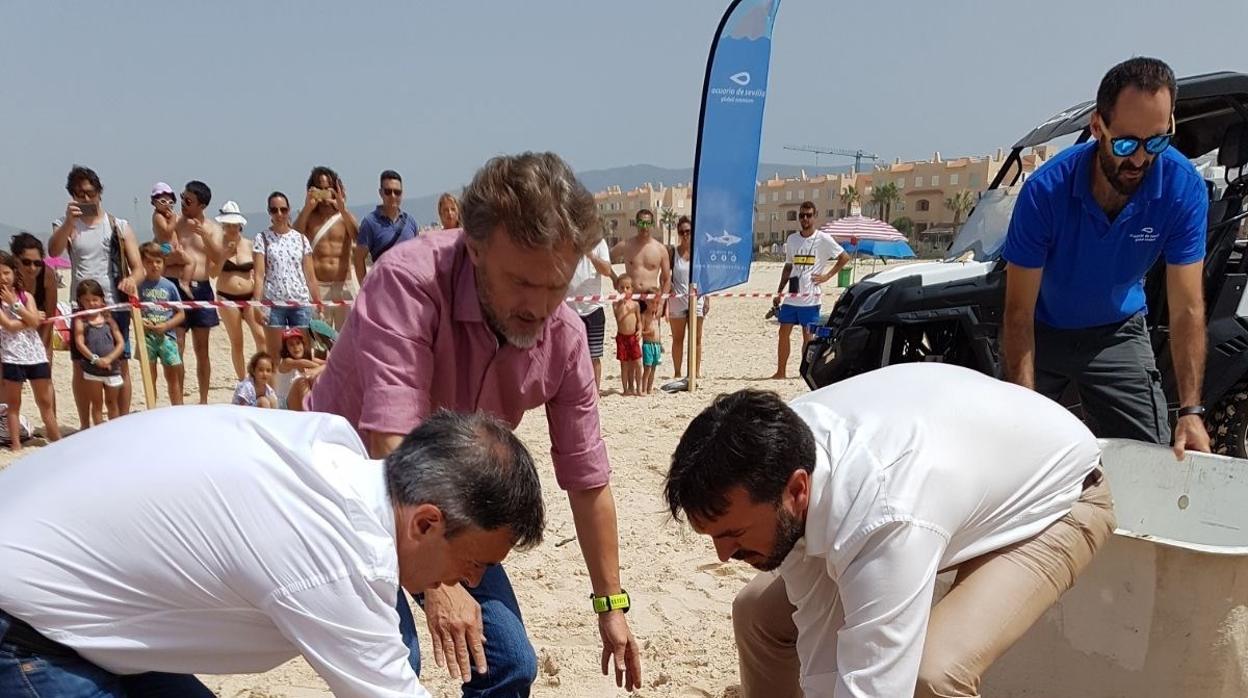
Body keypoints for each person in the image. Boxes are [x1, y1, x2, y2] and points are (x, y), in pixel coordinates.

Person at [307, 152, 642, 694]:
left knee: (509, 663)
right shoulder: (408, 282)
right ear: (474, 246)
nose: (539, 308)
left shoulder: (565, 336)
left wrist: (611, 605)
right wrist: (437, 581)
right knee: (394, 661)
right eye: (521, 283)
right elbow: (390, 441)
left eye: (556, 286)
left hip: (448, 503)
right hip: (348, 490)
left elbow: (588, 480)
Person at [0, 406, 545, 697]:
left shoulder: (334, 449)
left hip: (70, 593)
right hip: (24, 621)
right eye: (474, 563)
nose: (471, 583)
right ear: (427, 522)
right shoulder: (337, 554)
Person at [664, 363, 1116, 698]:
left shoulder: (885, 515)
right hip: (953, 485)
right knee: (757, 613)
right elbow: (822, 640)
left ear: (796, 491)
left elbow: (877, 688)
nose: (723, 556)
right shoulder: (782, 451)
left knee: (933, 676)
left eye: (732, 534)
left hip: (1058, 499)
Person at [1001, 57, 1210, 458]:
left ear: (1170, 128)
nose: (1140, 160)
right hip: (1041, 331)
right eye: (1127, 143)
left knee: (1153, 455)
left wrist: (1191, 411)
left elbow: (1187, 308)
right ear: (1098, 127)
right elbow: (1017, 313)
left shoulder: (1184, 190)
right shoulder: (1045, 192)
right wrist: (1021, 415)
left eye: (1156, 142)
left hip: (1117, 332)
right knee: (1014, 450)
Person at [49, 165, 143, 424]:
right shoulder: (66, 225)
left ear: (100, 192)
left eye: (90, 193)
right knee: (81, 366)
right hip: (81, 305)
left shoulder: (118, 225)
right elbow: (54, 251)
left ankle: (122, 421)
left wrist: (131, 281)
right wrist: (69, 222)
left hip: (114, 303)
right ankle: (84, 424)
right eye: (79, 194)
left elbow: (139, 268)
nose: (86, 198)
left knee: (121, 363)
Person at [769, 201, 849, 379]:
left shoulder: (823, 238)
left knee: (808, 336)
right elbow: (788, 267)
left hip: (811, 298)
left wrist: (827, 276)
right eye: (802, 215)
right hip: (792, 295)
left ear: (814, 216)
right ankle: (780, 371)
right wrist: (779, 291)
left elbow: (844, 257)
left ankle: (805, 372)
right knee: (783, 332)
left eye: (808, 215)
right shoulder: (792, 239)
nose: (805, 218)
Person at [164, 181, 225, 405]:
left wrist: (205, 236)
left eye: (188, 201)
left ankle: (203, 399)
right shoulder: (176, 225)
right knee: (177, 344)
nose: (183, 204)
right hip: (176, 285)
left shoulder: (212, 228)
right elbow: (160, 249)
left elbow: (218, 258)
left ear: (202, 204)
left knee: (202, 348)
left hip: (201, 287)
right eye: (182, 198)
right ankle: (178, 400)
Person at [0, 252, 59, 451]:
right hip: (12, 355)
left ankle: (55, 438)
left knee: (45, 402)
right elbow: (9, 325)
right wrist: (29, 319)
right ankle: (16, 445)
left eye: (6, 273)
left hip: (35, 354)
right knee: (13, 405)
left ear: (14, 273)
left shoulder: (26, 296)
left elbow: (35, 322)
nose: (3, 278)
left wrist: (16, 305)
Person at [254, 191, 321, 362]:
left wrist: (317, 300)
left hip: (300, 301)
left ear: (289, 210)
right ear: (269, 212)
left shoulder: (301, 239)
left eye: (283, 210)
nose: (279, 214)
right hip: (274, 302)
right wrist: (256, 304)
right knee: (275, 355)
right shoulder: (262, 238)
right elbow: (259, 274)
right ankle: (278, 389)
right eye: (274, 210)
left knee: (303, 353)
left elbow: (310, 275)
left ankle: (304, 388)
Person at [294, 166, 358, 332]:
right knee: (321, 340)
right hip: (319, 286)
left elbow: (357, 236)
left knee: (346, 339)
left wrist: (342, 207)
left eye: (327, 188)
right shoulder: (308, 217)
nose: (323, 193)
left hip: (343, 284)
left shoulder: (344, 216)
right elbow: (294, 237)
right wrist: (307, 207)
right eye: (319, 189)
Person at [213, 201, 266, 381]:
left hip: (249, 296)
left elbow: (260, 270)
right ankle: (242, 379)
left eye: (234, 225)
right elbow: (212, 273)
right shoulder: (218, 244)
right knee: (237, 341)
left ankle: (261, 374)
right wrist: (223, 256)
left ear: (240, 225)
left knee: (260, 336)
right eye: (228, 225)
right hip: (227, 296)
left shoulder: (250, 245)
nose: (231, 228)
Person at [137, 242, 186, 406]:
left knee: (173, 378)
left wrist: (166, 326)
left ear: (163, 263)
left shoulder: (169, 286)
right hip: (146, 338)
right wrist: (140, 321)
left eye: (158, 262)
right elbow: (133, 311)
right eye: (149, 262)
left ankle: (177, 409)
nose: (154, 266)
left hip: (167, 337)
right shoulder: (139, 286)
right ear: (143, 263)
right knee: (150, 378)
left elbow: (181, 314)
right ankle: (152, 409)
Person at [566, 234, 615, 391]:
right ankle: (572, 391)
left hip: (593, 308)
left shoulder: (598, 241)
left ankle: (595, 391)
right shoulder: (564, 240)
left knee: (594, 355)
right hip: (568, 309)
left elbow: (607, 270)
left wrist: (591, 255)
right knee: (569, 356)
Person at [73, 279, 125, 426]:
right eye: (87, 300)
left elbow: (120, 343)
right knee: (96, 404)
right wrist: (95, 360)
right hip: (92, 369)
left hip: (112, 368)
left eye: (95, 299)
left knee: (112, 402)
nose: (91, 303)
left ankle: (114, 429)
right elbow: (79, 343)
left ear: (102, 299)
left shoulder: (109, 319)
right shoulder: (80, 320)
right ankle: (98, 432)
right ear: (80, 302)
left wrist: (109, 359)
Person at [355, 169, 420, 284]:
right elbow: (359, 258)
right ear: (381, 192)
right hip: (382, 289)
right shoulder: (370, 222)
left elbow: (417, 257)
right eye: (388, 191)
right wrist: (365, 289)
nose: (393, 196)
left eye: (397, 192)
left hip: (408, 288)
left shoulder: (411, 222)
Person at [667, 216, 709, 379]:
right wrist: (668, 287)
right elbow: (665, 275)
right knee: (678, 339)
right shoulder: (673, 253)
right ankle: (677, 372)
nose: (685, 235)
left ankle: (695, 372)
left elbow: (705, 277)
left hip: (696, 300)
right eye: (682, 232)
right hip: (677, 300)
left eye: (688, 231)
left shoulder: (700, 252)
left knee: (696, 338)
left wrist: (707, 298)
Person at [610, 209, 671, 318]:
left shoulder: (660, 249)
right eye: (641, 222)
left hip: (651, 301)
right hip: (631, 299)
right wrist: (615, 279)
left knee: (651, 334)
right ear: (636, 224)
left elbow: (667, 279)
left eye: (648, 223)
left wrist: (661, 303)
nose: (644, 226)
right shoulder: (626, 245)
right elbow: (606, 259)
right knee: (630, 334)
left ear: (652, 225)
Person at [10, 232, 60, 363]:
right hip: (9, 326)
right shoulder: (6, 276)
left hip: (40, 324)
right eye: (26, 262)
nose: (32, 268)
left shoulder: (47, 274)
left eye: (37, 263)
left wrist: (40, 348)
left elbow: (50, 318)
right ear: (15, 259)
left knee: (44, 375)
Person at [150, 182, 192, 292]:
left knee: (164, 267)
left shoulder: (163, 215)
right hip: (167, 248)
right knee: (191, 262)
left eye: (170, 202)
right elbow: (167, 232)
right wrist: (173, 219)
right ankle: (185, 283)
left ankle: (159, 283)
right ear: (154, 202)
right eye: (163, 202)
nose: (167, 205)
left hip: (167, 247)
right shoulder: (158, 217)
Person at [276, 329, 324, 410]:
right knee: (302, 382)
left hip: (299, 402)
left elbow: (327, 364)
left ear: (303, 344)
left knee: (315, 378)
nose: (296, 347)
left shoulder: (308, 358)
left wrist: (320, 368)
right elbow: (302, 363)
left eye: (298, 343)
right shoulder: (286, 362)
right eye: (291, 344)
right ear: (286, 349)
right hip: (284, 406)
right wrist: (319, 368)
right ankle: (310, 415)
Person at [613, 273, 642, 396]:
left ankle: (638, 388)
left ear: (632, 289)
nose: (625, 290)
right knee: (624, 365)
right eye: (622, 288)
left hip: (633, 337)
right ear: (618, 289)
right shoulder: (616, 304)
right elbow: (618, 319)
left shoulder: (635, 305)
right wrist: (621, 305)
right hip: (622, 337)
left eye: (627, 287)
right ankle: (626, 389)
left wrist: (640, 330)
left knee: (637, 363)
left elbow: (639, 321)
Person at [640, 295, 662, 395]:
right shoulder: (644, 316)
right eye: (652, 302)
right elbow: (640, 332)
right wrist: (648, 333)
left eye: (656, 303)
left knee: (653, 368)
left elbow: (658, 330)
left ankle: (649, 388)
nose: (655, 305)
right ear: (647, 303)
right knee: (647, 368)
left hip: (656, 345)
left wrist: (660, 343)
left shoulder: (656, 316)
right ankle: (643, 389)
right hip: (648, 345)